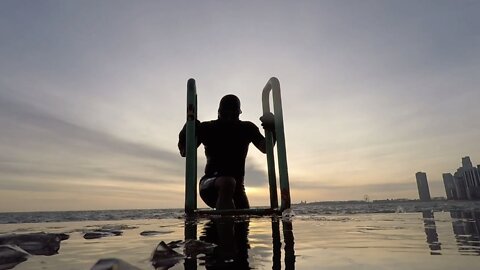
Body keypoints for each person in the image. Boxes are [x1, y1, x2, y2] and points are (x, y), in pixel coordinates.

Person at [178, 94, 275, 210]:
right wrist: (187, 129)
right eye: (225, 114)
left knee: (243, 220)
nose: (229, 118)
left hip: (238, 187)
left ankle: (223, 224)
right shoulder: (207, 128)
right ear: (219, 111)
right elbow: (185, 152)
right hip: (210, 183)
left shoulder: (247, 128)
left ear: (239, 113)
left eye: (233, 114)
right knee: (227, 182)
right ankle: (224, 225)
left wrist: (272, 128)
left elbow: (266, 148)